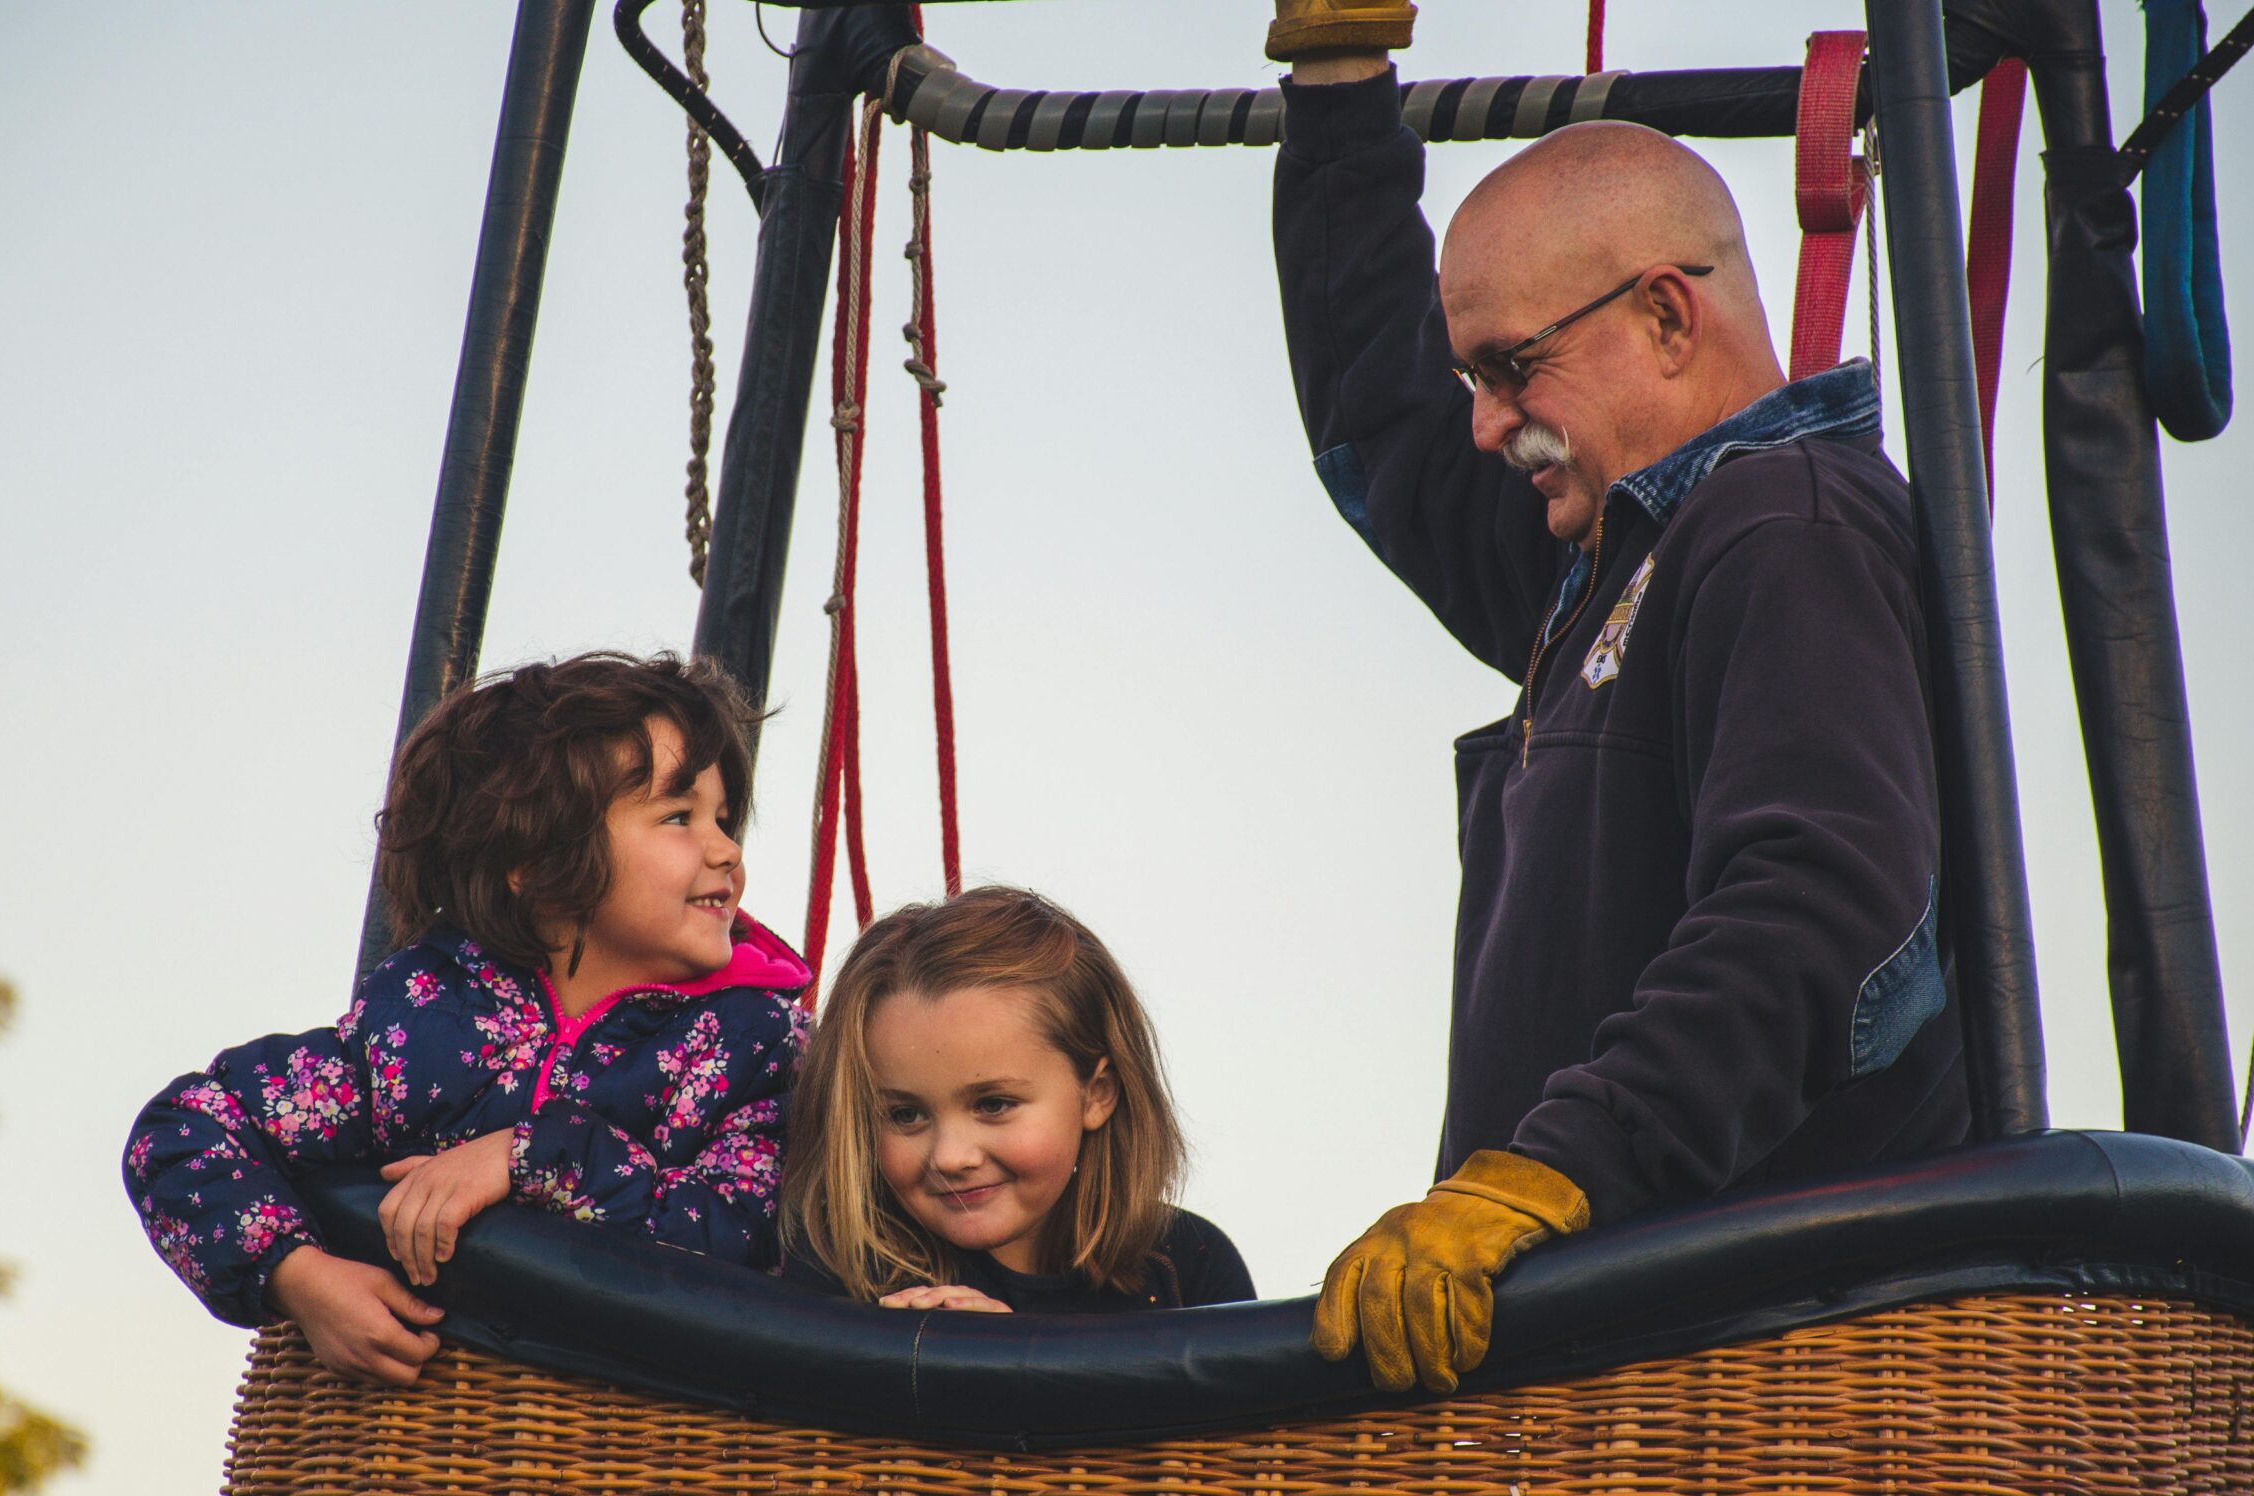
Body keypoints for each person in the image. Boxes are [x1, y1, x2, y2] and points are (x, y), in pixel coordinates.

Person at [1268, 1, 1969, 1394]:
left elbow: (1822, 909)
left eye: (1511, 368)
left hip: (1766, 1362)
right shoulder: (1605, 571)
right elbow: (1388, 442)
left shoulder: (1788, 527)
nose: (1483, 420)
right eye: (1474, 373)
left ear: (1664, 312)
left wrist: (1557, 1170)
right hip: (1630, 1349)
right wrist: (1338, 85)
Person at [122, 652, 810, 1384]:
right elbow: (183, 1129)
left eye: (725, 817)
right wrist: (299, 1276)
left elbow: (740, 1232)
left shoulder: (754, 1048)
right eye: (679, 817)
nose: (726, 848)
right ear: (539, 859)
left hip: (638, 1462)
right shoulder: (424, 1022)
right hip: (422, 1464)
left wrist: (530, 1156)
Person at [779, 887, 1253, 1314]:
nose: (950, 1157)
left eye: (993, 1104)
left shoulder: (1188, 1270)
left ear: (1097, 1095)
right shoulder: (843, 1269)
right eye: (906, 1114)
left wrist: (1016, 1372)